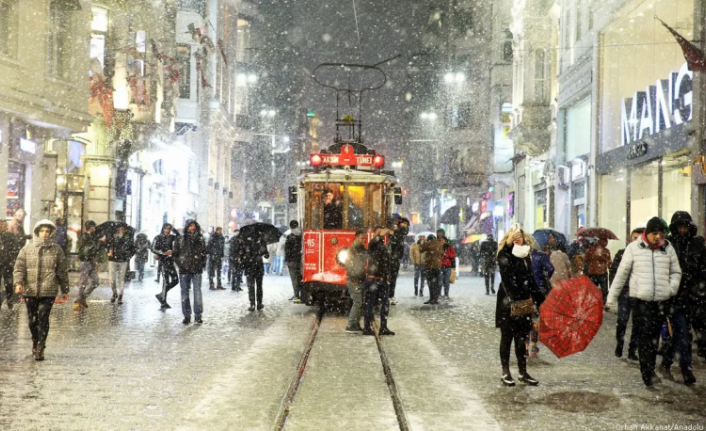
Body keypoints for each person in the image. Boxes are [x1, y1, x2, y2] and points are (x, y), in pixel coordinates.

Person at [606, 217, 682, 387]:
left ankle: (650, 368)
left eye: (661, 233)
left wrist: (671, 289)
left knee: (655, 337)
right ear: (647, 233)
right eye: (655, 233)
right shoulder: (634, 248)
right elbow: (621, 275)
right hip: (641, 301)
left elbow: (676, 272)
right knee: (645, 336)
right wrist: (610, 299)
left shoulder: (667, 248)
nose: (658, 237)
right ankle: (647, 371)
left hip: (662, 301)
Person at [496, 224, 545, 386]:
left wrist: (542, 299)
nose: (517, 238)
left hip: (524, 304)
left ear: (525, 239)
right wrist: (508, 245)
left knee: (521, 339)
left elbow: (531, 280)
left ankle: (523, 372)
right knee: (507, 338)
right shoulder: (505, 254)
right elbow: (504, 267)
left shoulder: (526, 256)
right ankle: (505, 372)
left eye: (520, 236)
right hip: (508, 303)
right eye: (513, 236)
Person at [659, 212, 704, 385]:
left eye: (685, 226)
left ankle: (666, 361)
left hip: (694, 298)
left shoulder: (697, 243)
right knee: (684, 334)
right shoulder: (668, 245)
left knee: (680, 334)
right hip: (675, 298)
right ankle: (687, 371)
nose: (682, 229)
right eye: (679, 226)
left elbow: (702, 267)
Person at [13, 220, 69, 360]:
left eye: (47, 231)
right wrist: (18, 283)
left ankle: (40, 346)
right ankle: (35, 340)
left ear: (51, 233)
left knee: (43, 317)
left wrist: (65, 288)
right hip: (30, 290)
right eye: (42, 231)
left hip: (48, 290)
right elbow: (19, 267)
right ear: (37, 232)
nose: (45, 234)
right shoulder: (27, 249)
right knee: (32, 320)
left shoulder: (56, 250)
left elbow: (62, 271)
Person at [609, 227, 643, 360]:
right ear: (630, 239)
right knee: (622, 320)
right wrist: (615, 290)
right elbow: (614, 272)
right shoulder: (622, 253)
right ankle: (620, 344)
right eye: (635, 238)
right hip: (624, 293)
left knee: (637, 323)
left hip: (639, 294)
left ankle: (632, 350)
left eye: (639, 238)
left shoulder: (645, 255)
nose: (637, 241)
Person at [364, 226, 395, 336]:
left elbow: (386, 261)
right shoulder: (373, 244)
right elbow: (372, 242)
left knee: (385, 304)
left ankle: (383, 327)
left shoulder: (382, 245)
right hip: (373, 279)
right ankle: (367, 328)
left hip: (383, 279)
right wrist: (379, 235)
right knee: (370, 304)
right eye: (379, 232)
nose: (382, 233)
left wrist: (388, 274)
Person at [175, 220, 207, 324]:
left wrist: (201, 264)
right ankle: (187, 315)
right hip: (184, 270)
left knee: (197, 292)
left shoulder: (200, 238)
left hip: (196, 269)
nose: (191, 228)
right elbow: (175, 254)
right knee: (184, 293)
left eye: (193, 226)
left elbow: (204, 253)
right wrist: (180, 263)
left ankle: (198, 315)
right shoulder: (181, 238)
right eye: (189, 226)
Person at [528, 241, 554, 356]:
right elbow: (550, 269)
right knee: (536, 319)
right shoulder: (540, 255)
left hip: (525, 291)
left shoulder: (519, 255)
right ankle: (534, 346)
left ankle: (525, 347)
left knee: (525, 318)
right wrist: (543, 278)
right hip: (539, 290)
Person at [74, 220, 105, 310]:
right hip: (85, 261)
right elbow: (90, 248)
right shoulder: (85, 237)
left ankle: (83, 297)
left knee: (95, 281)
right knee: (83, 282)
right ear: (91, 227)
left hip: (91, 261)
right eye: (94, 227)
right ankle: (77, 301)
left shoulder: (92, 236)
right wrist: (99, 242)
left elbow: (94, 248)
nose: (95, 228)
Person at [345, 229, 368, 332]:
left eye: (364, 238)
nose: (364, 240)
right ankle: (350, 325)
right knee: (358, 302)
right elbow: (348, 265)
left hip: (361, 279)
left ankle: (356, 324)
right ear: (356, 238)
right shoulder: (352, 250)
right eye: (362, 238)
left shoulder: (362, 249)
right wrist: (354, 278)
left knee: (360, 302)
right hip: (355, 280)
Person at [152, 223, 180, 309]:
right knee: (166, 281)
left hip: (171, 261)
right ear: (163, 229)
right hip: (163, 262)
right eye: (166, 228)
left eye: (169, 229)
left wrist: (174, 229)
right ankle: (163, 302)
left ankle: (161, 295)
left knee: (175, 280)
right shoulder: (158, 237)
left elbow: (180, 236)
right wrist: (162, 253)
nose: (167, 230)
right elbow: (153, 248)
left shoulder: (172, 237)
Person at [107, 225, 135, 305]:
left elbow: (133, 249)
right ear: (118, 228)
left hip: (123, 261)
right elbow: (107, 246)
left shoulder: (129, 238)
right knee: (112, 279)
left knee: (121, 279)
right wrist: (108, 252)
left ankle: (120, 296)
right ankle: (114, 293)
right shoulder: (113, 236)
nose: (122, 229)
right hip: (113, 260)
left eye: (124, 228)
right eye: (120, 228)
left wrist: (127, 257)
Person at [239, 236, 269, 311]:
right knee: (257, 286)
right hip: (254, 267)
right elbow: (267, 255)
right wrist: (261, 254)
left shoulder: (247, 242)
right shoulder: (260, 242)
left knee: (252, 287)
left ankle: (254, 304)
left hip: (252, 267)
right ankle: (257, 303)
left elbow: (241, 255)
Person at [388, 218, 408, 305]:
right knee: (390, 278)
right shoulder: (395, 231)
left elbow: (405, 231)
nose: (405, 226)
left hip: (395, 258)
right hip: (392, 258)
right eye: (404, 224)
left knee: (393, 278)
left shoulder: (400, 232)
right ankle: (388, 296)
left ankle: (390, 295)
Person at [585, 238, 612, 304]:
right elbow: (609, 262)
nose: (606, 243)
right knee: (604, 290)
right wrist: (610, 269)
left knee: (593, 289)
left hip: (592, 272)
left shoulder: (590, 249)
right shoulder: (606, 250)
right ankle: (603, 303)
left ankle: (592, 302)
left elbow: (586, 259)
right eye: (605, 241)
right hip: (602, 273)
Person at [0, 220, 19, 309]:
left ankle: (9, 298)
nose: (2, 227)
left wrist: (12, 260)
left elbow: (16, 248)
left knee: (9, 283)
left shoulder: (10, 236)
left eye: (4, 226)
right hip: (3, 262)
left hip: (7, 263)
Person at [421, 234, 444, 305]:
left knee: (430, 283)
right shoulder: (440, 244)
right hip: (437, 267)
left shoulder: (429, 243)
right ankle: (435, 299)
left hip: (430, 267)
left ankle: (431, 299)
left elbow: (421, 249)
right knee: (436, 283)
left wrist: (424, 242)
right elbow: (442, 254)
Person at [285, 220, 303, 302]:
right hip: (300, 260)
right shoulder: (302, 235)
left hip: (292, 260)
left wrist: (287, 260)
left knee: (294, 278)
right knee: (300, 277)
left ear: (290, 227)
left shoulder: (290, 237)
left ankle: (296, 295)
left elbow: (287, 250)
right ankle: (301, 294)